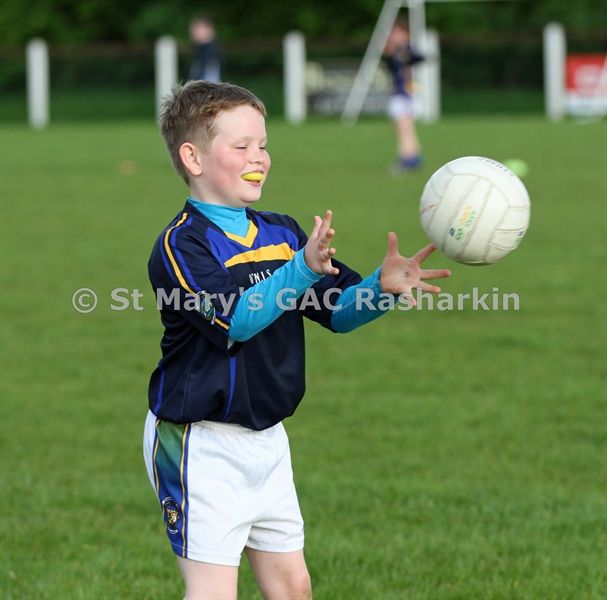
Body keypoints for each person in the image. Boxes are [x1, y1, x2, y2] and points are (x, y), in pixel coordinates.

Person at [143, 80, 451, 599]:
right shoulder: (181, 245)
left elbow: (339, 311)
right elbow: (236, 319)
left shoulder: (282, 234)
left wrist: (381, 288)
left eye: (263, 145)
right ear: (192, 157)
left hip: (267, 441)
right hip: (199, 442)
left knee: (292, 587)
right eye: (241, 146)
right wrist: (301, 268)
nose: (258, 158)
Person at [383, 19, 424, 173]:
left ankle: (407, 159)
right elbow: (391, 65)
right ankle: (414, 157)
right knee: (401, 129)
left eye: (397, 33)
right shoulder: (392, 52)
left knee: (405, 128)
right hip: (398, 94)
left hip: (406, 95)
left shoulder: (406, 50)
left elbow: (419, 57)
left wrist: (403, 53)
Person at [188, 15, 222, 83]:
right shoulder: (202, 50)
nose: (193, 33)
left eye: (197, 29)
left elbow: (211, 83)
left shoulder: (211, 53)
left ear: (208, 30)